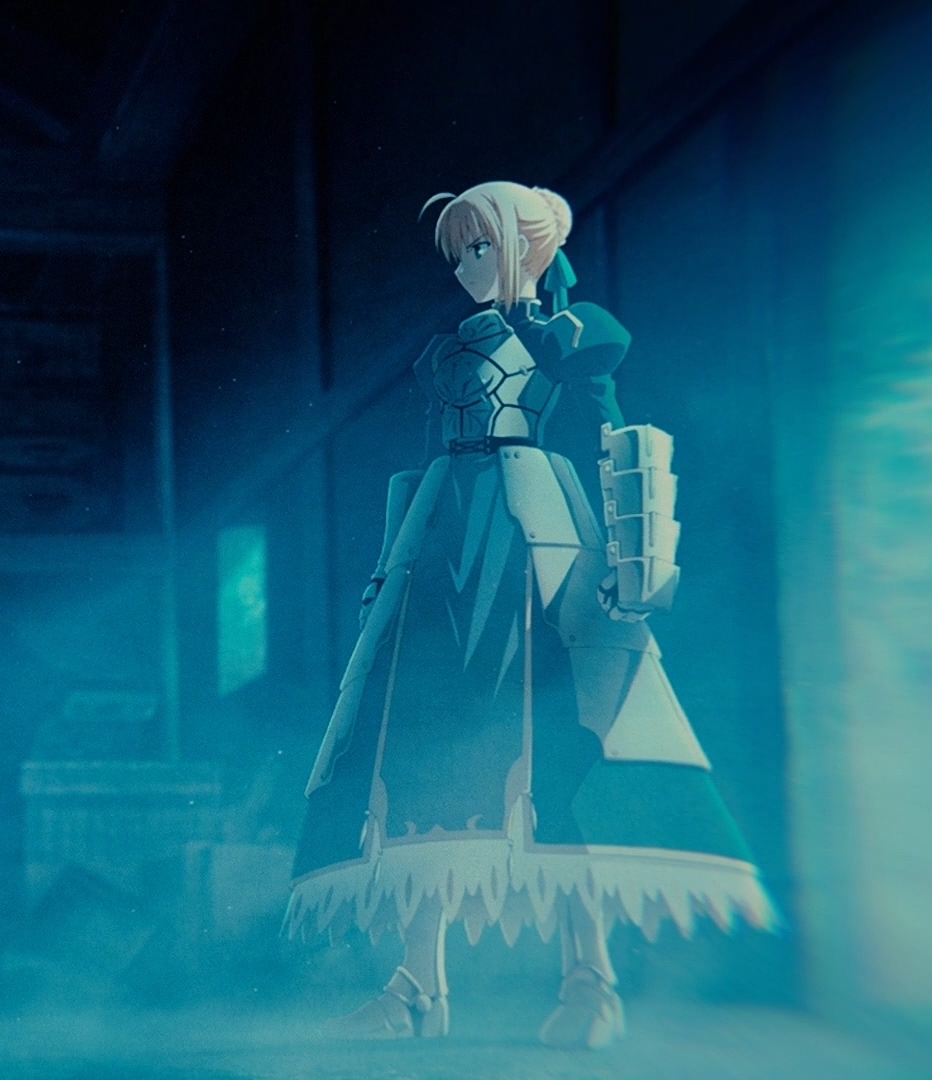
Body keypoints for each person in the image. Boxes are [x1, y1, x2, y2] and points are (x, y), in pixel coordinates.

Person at [286, 182, 777, 1049]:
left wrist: (633, 564)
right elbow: (423, 463)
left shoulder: (573, 336)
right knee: (422, 763)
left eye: (481, 248)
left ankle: (591, 980)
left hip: (538, 550)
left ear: (530, 246)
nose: (466, 269)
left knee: (558, 765)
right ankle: (417, 987)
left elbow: (614, 439)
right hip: (445, 553)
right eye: (458, 255)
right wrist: (388, 572)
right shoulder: (449, 353)